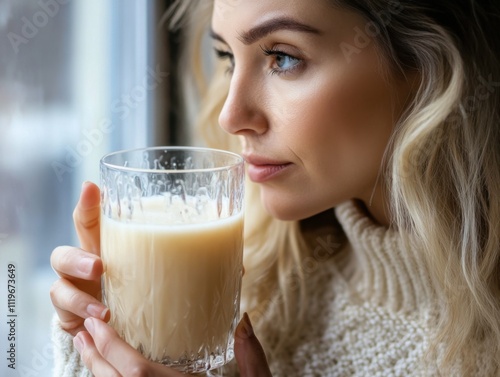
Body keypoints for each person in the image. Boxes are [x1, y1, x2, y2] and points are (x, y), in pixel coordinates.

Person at [50, 0, 500, 375]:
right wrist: (104, 337)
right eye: (227, 58)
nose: (229, 115)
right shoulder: (252, 291)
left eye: (282, 57)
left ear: (427, 66)